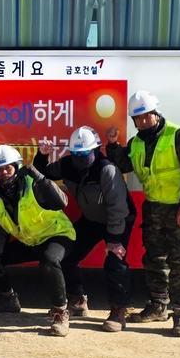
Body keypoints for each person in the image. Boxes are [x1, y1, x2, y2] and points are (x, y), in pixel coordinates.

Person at [105, 90, 180, 338]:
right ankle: (158, 305)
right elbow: (124, 162)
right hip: (154, 209)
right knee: (155, 259)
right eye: (136, 119)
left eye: (145, 117)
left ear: (155, 113)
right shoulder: (137, 142)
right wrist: (111, 145)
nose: (141, 122)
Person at [0, 145, 76, 335]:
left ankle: (60, 311)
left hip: (57, 235)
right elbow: (1, 229)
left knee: (49, 260)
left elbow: (62, 202)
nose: (4, 173)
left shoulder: (33, 184)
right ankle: (9, 298)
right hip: (31, 241)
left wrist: (39, 176)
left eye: (8, 168)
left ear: (17, 168)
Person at [35, 126, 136, 333]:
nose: (80, 158)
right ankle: (78, 299)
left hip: (117, 220)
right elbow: (43, 173)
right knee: (67, 255)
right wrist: (41, 156)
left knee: (115, 262)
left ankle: (118, 311)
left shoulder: (107, 169)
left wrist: (114, 240)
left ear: (95, 150)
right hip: (91, 219)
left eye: (84, 154)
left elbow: (118, 208)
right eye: (76, 154)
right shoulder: (67, 165)